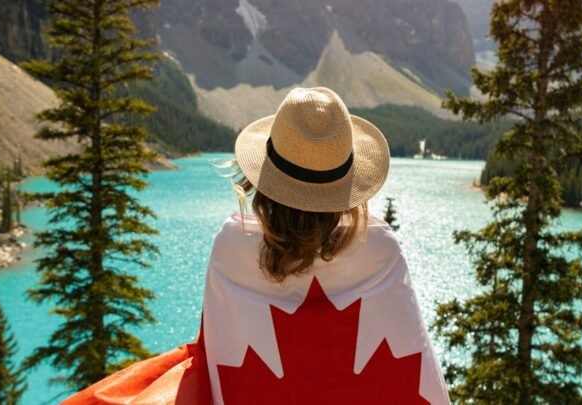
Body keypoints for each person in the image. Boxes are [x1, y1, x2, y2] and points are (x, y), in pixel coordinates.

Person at [64, 87, 449, 404]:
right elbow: (416, 379)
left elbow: (213, 353)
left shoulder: (232, 247)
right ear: (348, 186)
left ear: (262, 182)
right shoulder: (379, 249)